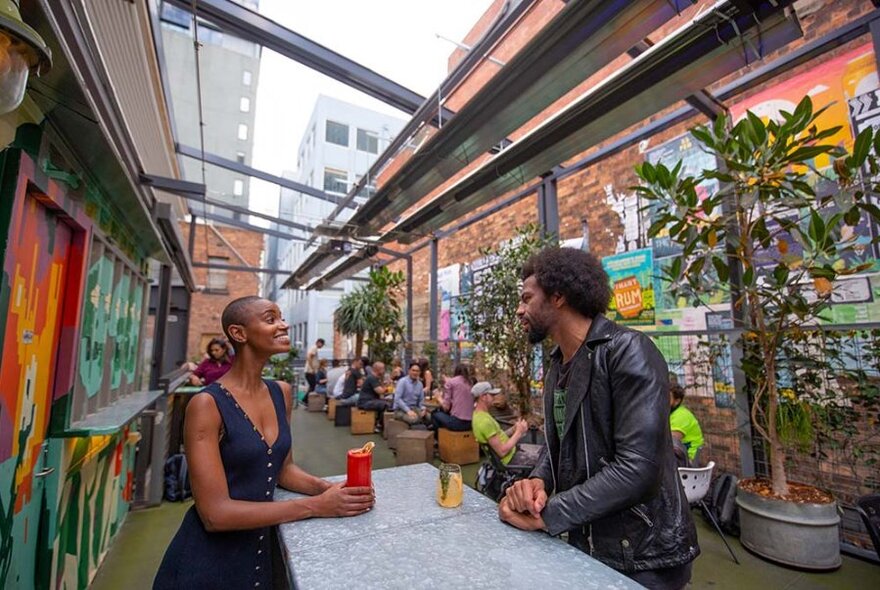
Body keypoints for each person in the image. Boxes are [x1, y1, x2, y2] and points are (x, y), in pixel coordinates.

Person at [502, 247, 699, 590]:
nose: (520, 310)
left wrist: (549, 515)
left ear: (559, 296)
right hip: (589, 542)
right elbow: (561, 443)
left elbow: (639, 469)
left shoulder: (629, 351)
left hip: (642, 557)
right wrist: (538, 483)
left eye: (527, 298)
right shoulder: (559, 364)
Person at [154, 297, 373, 589]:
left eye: (281, 318)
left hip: (264, 551)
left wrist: (330, 489)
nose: (283, 324)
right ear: (239, 333)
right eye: (271, 319)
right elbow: (214, 514)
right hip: (210, 566)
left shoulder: (280, 392)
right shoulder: (206, 405)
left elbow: (283, 470)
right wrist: (316, 505)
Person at [471, 381, 542, 466]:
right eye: (492, 395)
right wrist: (519, 432)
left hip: (512, 453)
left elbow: (497, 438)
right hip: (511, 459)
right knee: (546, 460)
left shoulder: (479, 416)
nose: (495, 398)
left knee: (543, 452)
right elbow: (502, 451)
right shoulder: (484, 422)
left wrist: (513, 430)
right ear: (483, 397)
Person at [431, 363, 475, 432]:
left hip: (458, 423)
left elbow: (446, 407)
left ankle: (439, 438)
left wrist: (438, 397)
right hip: (471, 423)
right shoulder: (470, 382)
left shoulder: (451, 382)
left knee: (435, 414)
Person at [669, 385, 704, 467]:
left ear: (677, 401)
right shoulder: (673, 413)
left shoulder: (680, 416)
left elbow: (670, 442)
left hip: (686, 461)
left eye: (667, 398)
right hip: (680, 457)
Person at [357, 361, 392, 433]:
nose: (384, 371)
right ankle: (379, 425)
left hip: (370, 400)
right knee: (386, 405)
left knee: (387, 402)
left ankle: (378, 422)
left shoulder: (374, 378)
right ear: (378, 370)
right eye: (383, 369)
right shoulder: (371, 378)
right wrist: (387, 386)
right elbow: (380, 391)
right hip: (365, 402)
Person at [393, 362, 430, 426]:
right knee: (414, 419)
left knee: (429, 417)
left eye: (417, 371)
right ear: (409, 371)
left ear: (420, 372)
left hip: (414, 408)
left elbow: (421, 401)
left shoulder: (420, 384)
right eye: (413, 370)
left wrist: (423, 409)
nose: (415, 373)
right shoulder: (402, 382)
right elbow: (397, 399)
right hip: (400, 410)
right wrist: (408, 411)